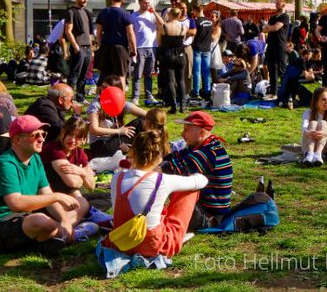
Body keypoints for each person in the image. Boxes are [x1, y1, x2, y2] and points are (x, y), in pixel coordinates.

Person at [0, 115, 97, 256]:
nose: (42, 139)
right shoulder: (5, 165)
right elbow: (16, 204)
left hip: (24, 218)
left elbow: (47, 195)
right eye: (35, 135)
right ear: (17, 139)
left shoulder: (35, 159)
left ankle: (59, 234)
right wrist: (57, 196)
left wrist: (65, 220)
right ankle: (69, 235)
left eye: (43, 134)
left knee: (81, 202)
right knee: (40, 220)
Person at [99, 130, 208, 264]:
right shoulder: (161, 180)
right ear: (159, 156)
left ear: (132, 153)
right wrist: (187, 177)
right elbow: (201, 181)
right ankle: (184, 230)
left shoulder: (117, 178)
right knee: (190, 190)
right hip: (153, 246)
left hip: (122, 242)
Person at [161, 111, 233, 229]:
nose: (182, 134)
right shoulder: (199, 147)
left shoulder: (208, 152)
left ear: (201, 131)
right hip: (203, 208)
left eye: (186, 129)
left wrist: (149, 168)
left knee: (176, 182)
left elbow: (172, 168)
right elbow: (172, 158)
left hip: (210, 215)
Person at [87, 75, 148, 159]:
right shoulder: (96, 105)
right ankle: (145, 154)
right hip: (100, 147)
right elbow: (94, 129)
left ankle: (149, 151)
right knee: (140, 123)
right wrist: (118, 131)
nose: (103, 90)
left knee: (145, 120)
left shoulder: (119, 101)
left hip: (113, 140)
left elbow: (147, 114)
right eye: (103, 87)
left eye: (107, 88)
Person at [40, 116, 95, 195]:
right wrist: (83, 177)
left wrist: (81, 171)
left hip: (66, 190)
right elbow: (72, 183)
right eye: (70, 134)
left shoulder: (79, 152)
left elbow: (91, 187)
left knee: (106, 198)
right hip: (46, 191)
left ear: (84, 140)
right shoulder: (54, 149)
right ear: (63, 132)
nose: (73, 140)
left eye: (78, 137)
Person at [95, 0, 137, 82]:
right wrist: (134, 49)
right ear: (123, 0)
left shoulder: (103, 12)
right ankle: (120, 96)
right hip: (120, 48)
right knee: (121, 74)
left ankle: (100, 95)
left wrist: (100, 46)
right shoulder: (125, 14)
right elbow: (130, 33)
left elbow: (98, 32)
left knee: (104, 74)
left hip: (106, 47)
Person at [63, 0, 95, 103]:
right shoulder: (71, 12)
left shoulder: (87, 12)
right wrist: (75, 45)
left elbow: (90, 33)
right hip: (79, 47)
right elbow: (68, 30)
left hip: (87, 47)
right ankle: (70, 99)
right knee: (74, 74)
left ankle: (81, 97)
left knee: (84, 74)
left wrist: (91, 48)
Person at [157, 7, 189, 114]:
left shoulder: (163, 27)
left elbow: (159, 42)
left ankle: (174, 105)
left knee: (170, 81)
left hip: (168, 55)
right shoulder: (184, 27)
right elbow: (183, 40)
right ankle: (183, 106)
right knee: (181, 80)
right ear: (179, 15)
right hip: (180, 55)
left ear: (169, 14)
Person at [130, 0, 159, 105]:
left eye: (148, 2)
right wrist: (133, 48)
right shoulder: (133, 16)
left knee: (149, 74)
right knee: (137, 74)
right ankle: (135, 97)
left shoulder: (151, 15)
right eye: (145, 3)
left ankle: (149, 95)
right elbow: (131, 32)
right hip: (140, 48)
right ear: (140, 3)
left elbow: (161, 24)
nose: (147, 5)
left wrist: (154, 12)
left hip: (152, 47)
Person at [300, 87, 327, 167]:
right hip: (309, 144)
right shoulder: (308, 112)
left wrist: (325, 133)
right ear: (316, 102)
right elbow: (304, 125)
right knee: (313, 123)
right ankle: (310, 154)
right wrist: (308, 132)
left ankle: (318, 154)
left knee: (323, 123)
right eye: (323, 99)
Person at [262, 0, 291, 98]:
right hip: (271, 45)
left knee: (282, 70)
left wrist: (270, 27)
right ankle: (273, 93)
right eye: (276, 3)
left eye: (278, 3)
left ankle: (285, 93)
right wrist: (270, 28)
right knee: (272, 69)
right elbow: (264, 30)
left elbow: (275, 27)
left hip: (280, 46)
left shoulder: (285, 16)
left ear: (283, 4)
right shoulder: (272, 17)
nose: (276, 4)